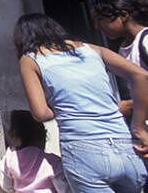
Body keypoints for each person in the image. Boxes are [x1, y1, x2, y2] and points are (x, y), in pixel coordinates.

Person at [15, 13, 148, 192]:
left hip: (83, 149)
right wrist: (138, 128)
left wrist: (60, 108)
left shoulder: (30, 59)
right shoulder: (94, 49)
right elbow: (141, 75)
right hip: (125, 145)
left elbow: (41, 113)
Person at [91, 0, 148, 118]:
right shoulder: (124, 49)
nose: (97, 26)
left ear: (123, 15)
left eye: (100, 19)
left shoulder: (145, 41)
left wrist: (131, 105)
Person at [0, 110, 70, 193]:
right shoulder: (52, 162)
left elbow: (6, 186)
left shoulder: (9, 159)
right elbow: (64, 189)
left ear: (15, 135)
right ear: (42, 136)